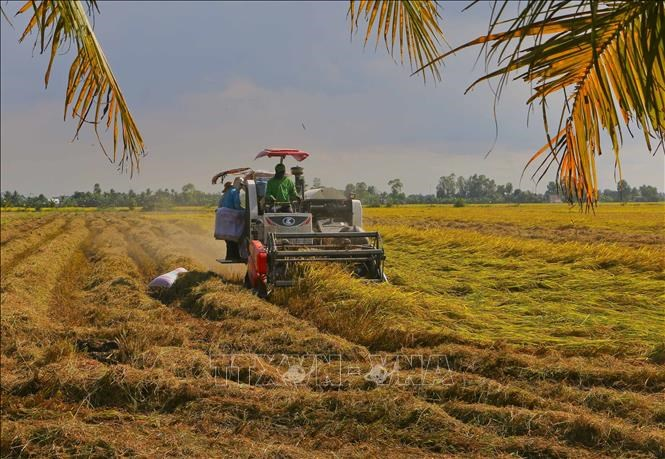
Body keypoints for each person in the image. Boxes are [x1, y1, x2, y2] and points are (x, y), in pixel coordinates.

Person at [219, 181, 241, 259]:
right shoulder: (235, 191)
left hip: (223, 217)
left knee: (228, 239)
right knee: (235, 237)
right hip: (231, 216)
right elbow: (236, 205)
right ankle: (235, 256)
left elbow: (220, 205)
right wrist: (242, 211)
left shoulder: (225, 194)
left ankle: (229, 256)